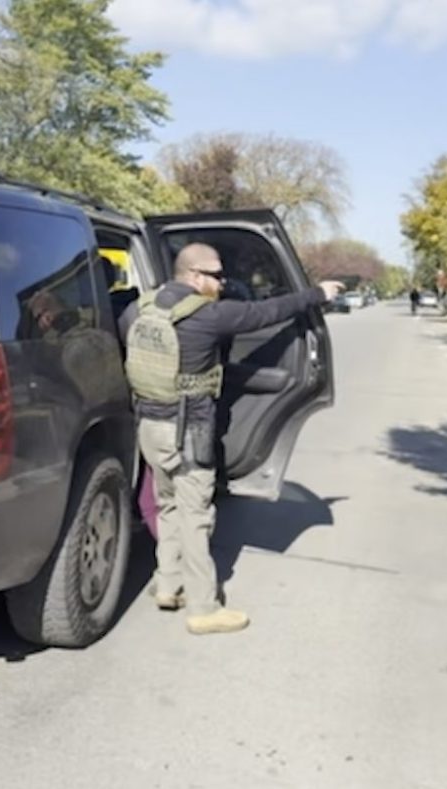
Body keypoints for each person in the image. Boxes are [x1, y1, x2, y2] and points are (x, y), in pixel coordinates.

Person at [120, 243, 343, 635]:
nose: (223, 284)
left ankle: (169, 585)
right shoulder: (209, 317)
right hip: (188, 431)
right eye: (216, 276)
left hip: (149, 428)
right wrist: (317, 294)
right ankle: (204, 607)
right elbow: (267, 312)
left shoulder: (138, 310)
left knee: (167, 505)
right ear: (192, 276)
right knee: (196, 514)